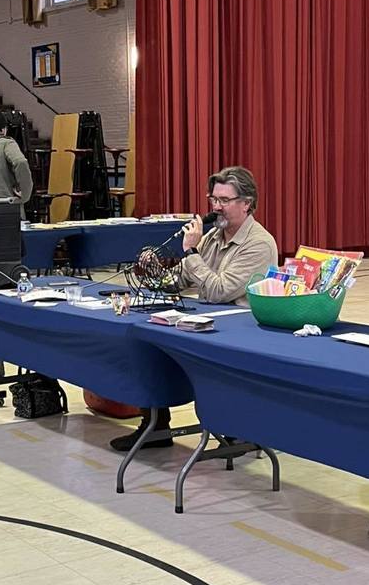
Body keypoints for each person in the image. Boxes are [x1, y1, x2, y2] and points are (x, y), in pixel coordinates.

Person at [110, 165, 278, 452]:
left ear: (246, 204)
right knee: (144, 340)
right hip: (207, 321)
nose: (217, 207)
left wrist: (190, 251)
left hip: (241, 329)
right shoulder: (212, 237)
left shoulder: (259, 244)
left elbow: (219, 291)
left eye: (225, 201)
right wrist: (153, 271)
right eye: (214, 199)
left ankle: (240, 427)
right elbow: (180, 281)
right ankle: (155, 426)